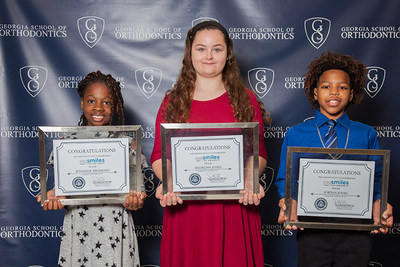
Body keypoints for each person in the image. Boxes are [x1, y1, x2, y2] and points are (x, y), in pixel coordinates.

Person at [150, 20, 271, 267]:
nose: (209, 56)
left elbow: (257, 153)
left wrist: (250, 178)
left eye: (217, 49)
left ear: (228, 54)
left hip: (235, 210)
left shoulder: (246, 99)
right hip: (186, 212)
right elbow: (159, 155)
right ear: (190, 52)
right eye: (201, 48)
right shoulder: (172, 101)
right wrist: (170, 182)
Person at [275, 51, 394, 267]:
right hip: (311, 227)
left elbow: (377, 178)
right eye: (326, 86)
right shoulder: (297, 134)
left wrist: (380, 201)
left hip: (355, 229)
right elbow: (286, 178)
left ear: (351, 94)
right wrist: (288, 200)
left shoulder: (366, 134)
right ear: (314, 92)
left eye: (342, 87)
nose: (334, 92)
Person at [37, 70, 147, 267]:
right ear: (81, 104)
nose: (98, 108)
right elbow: (59, 191)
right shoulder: (66, 145)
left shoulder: (128, 145)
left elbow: (138, 196)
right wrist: (53, 196)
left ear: (115, 107)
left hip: (116, 230)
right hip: (79, 230)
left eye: (106, 102)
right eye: (91, 101)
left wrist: (134, 201)